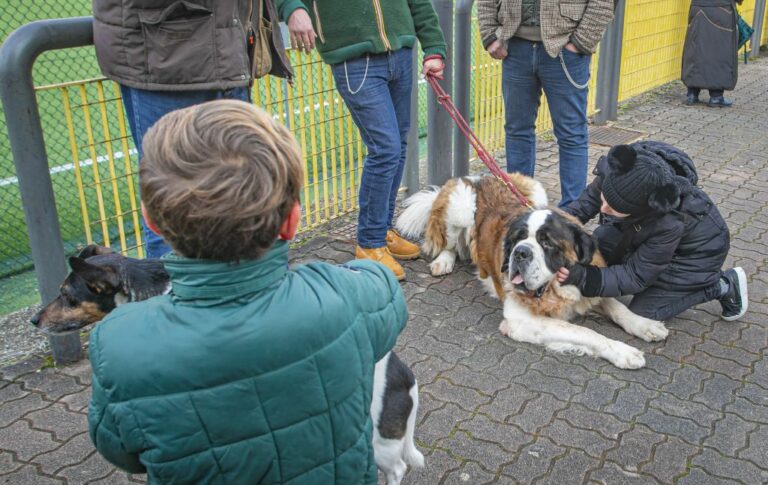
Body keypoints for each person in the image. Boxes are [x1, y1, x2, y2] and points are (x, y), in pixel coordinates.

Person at [87, 100, 408, 483]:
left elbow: (122, 450)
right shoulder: (347, 296)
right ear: (291, 222)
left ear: (151, 222)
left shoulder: (119, 342)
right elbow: (383, 288)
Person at [92, 0, 293, 258]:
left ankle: (244, 294)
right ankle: (184, 296)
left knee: (244, 203)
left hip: (228, 48)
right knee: (174, 204)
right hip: (167, 55)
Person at [276, 0, 447, 281]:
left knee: (399, 146)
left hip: (401, 53)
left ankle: (381, 230)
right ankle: (369, 244)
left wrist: (434, 49)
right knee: (385, 149)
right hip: (355, 59)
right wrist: (293, 7)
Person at [557, 140, 748, 322]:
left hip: (694, 259)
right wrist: (551, 226)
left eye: (613, 208)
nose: (603, 208)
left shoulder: (668, 222)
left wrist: (584, 277)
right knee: (602, 238)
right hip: (655, 244)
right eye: (604, 198)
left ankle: (721, 285)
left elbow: (636, 276)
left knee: (643, 315)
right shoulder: (622, 169)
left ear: (643, 208)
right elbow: (585, 203)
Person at [477, 0, 614, 207]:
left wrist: (580, 42)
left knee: (571, 134)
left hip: (565, 49)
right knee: (517, 130)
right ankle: (519, 205)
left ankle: (572, 212)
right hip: (515, 48)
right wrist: (489, 34)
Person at [682, 0, 742, 107]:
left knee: (695, 49)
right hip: (721, 9)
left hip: (697, 7)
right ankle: (716, 97)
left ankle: (692, 93)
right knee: (719, 51)